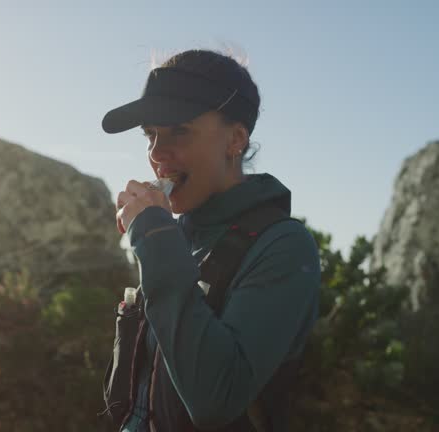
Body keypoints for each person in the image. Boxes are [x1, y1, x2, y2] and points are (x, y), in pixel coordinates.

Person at [100, 49, 320, 432]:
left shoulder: (283, 246)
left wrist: (153, 238)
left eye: (178, 130)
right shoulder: (178, 235)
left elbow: (214, 400)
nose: (155, 153)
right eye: (150, 134)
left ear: (235, 139)